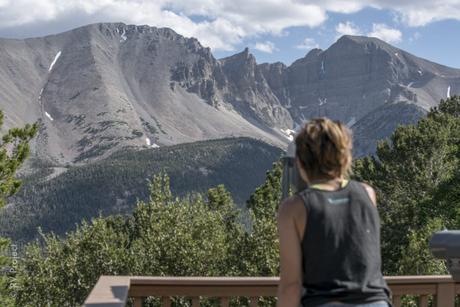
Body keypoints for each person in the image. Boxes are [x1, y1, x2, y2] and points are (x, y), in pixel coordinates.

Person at [276, 118, 391, 307]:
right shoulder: (367, 194)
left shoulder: (293, 208)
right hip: (375, 302)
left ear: (300, 163)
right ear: (345, 157)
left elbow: (291, 285)